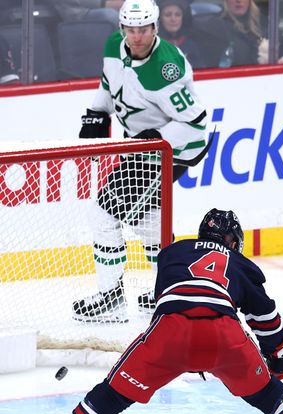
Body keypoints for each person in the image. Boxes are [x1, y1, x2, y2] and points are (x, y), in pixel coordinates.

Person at [28, 208, 283, 414]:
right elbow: (266, 319)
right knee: (268, 393)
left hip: (170, 332)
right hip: (223, 336)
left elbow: (168, 298)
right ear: (232, 241)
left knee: (113, 394)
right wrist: (278, 355)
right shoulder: (242, 265)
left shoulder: (172, 253)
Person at [72, 0, 210, 321]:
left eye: (143, 30)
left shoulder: (166, 68)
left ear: (155, 28)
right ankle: (170, 289)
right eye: (131, 30)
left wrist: (157, 139)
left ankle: (112, 297)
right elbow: (109, 83)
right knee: (148, 220)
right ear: (122, 29)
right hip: (145, 147)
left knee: (104, 214)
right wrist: (97, 111)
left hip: (174, 149)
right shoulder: (112, 45)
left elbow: (196, 124)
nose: (137, 37)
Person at [158, 0, 207, 68]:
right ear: (160, 19)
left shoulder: (192, 46)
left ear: (183, 18)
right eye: (168, 15)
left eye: (178, 14)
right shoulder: (152, 46)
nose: (173, 19)